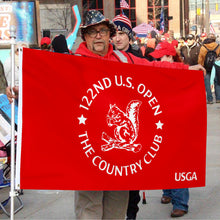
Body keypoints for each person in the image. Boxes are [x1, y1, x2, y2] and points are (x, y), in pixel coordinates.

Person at [74, 10, 205, 220]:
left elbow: (155, 69)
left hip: (119, 157)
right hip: (89, 152)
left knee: (117, 209)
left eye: (102, 31)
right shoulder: (72, 63)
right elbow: (46, 85)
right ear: (85, 37)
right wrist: (20, 90)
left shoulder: (123, 59)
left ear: (109, 34)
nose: (98, 36)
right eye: (92, 32)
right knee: (89, 209)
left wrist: (185, 70)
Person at [149, 41, 190, 218]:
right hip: (160, 122)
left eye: (162, 57)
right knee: (163, 159)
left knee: (178, 161)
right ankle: (168, 191)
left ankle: (180, 202)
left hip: (177, 122)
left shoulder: (182, 74)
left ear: (171, 57)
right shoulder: (158, 73)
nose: (159, 62)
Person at [112, 14, 142, 220]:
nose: (117, 38)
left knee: (132, 183)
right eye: (114, 34)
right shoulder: (103, 59)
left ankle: (131, 215)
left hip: (134, 130)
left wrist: (187, 70)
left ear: (129, 36)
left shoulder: (139, 60)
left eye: (122, 33)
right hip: (111, 127)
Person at [198, 33, 220, 104]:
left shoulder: (203, 47)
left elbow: (200, 58)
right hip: (216, 66)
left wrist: (200, 66)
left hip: (206, 67)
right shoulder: (218, 46)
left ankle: (210, 99)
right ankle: (218, 98)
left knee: (207, 83)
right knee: (217, 82)